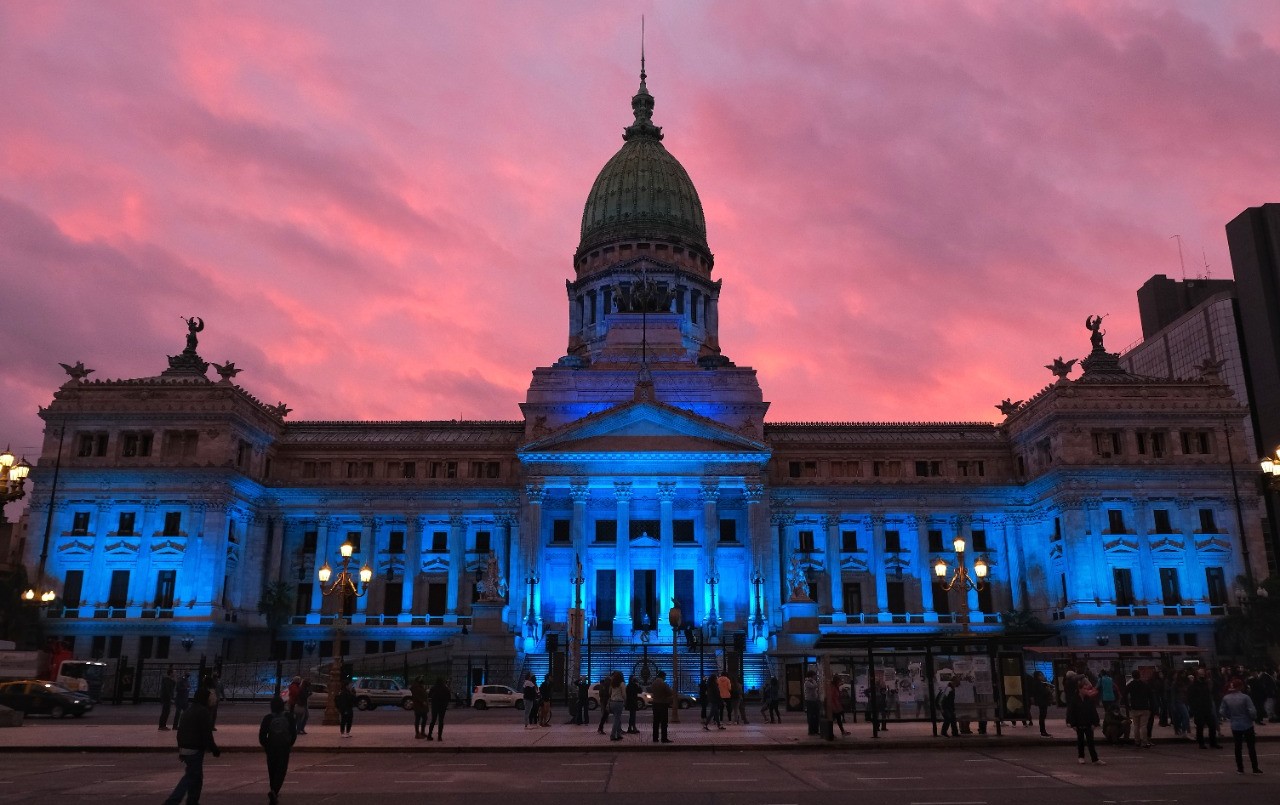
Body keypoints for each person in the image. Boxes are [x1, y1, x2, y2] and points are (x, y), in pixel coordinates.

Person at [163, 686, 220, 805]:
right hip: (194, 748)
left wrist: (180, 749)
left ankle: (193, 801)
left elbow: (180, 731)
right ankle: (173, 801)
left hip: (185, 747)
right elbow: (207, 733)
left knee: (197, 777)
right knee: (191, 777)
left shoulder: (189, 710)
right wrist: (214, 749)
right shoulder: (203, 712)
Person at [258, 695, 296, 805]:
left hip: (271, 747)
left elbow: (262, 735)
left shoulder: (268, 718)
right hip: (284, 747)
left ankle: (273, 790)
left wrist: (266, 746)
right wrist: (289, 743)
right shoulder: (288, 717)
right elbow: (293, 733)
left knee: (272, 769)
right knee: (281, 770)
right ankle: (274, 791)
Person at [1220, 678, 1262, 774]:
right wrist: (1253, 718)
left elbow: (1222, 711)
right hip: (1247, 723)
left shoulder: (1226, 698)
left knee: (1238, 747)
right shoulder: (1245, 697)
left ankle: (1240, 768)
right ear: (1240, 687)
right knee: (1251, 747)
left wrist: (1229, 716)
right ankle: (1255, 768)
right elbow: (1252, 711)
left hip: (1235, 724)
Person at [1067, 673, 1105, 765]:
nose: (1086, 690)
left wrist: (1095, 723)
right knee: (1080, 741)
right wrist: (1073, 724)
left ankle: (1095, 759)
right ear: (1080, 689)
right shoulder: (1074, 699)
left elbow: (1093, 711)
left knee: (1090, 742)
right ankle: (1081, 756)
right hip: (1079, 722)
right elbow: (1071, 712)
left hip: (1088, 722)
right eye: (1084, 688)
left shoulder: (1089, 699)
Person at [1188, 669, 1222, 749]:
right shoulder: (1194, 686)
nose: (1202, 676)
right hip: (1199, 709)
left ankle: (1213, 743)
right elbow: (1191, 698)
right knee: (1200, 726)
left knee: (1212, 725)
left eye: (1203, 674)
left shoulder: (1206, 684)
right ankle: (1201, 743)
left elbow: (1211, 692)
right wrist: (1194, 708)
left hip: (1207, 707)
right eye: (1201, 674)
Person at [1126, 670, 1154, 748]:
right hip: (1144, 707)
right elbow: (1150, 696)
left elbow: (1125, 694)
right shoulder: (1145, 684)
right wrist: (1151, 707)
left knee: (1136, 726)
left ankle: (1137, 741)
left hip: (1134, 707)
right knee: (1143, 726)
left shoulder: (1130, 685)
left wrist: (1128, 705)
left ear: (1132, 676)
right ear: (1139, 675)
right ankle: (1144, 742)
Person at [649, 670, 674, 743]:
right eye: (665, 676)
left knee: (656, 722)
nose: (665, 678)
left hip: (655, 704)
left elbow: (652, 692)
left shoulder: (653, 683)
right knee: (664, 722)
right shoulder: (663, 684)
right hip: (663, 704)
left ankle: (655, 738)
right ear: (663, 676)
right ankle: (664, 738)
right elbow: (670, 693)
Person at [427, 676, 451, 741]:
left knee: (433, 721)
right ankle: (439, 737)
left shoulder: (433, 687)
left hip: (435, 706)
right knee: (441, 721)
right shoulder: (445, 688)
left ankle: (429, 735)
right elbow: (449, 697)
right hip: (442, 706)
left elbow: (429, 695)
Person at [608, 670, 626, 741]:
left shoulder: (612, 684)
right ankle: (613, 735)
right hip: (619, 702)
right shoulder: (622, 684)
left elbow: (609, 692)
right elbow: (624, 694)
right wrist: (625, 700)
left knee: (617, 718)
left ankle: (618, 734)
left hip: (612, 702)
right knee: (617, 719)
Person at [802, 669, 821, 736]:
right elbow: (815, 686)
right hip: (810, 701)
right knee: (811, 716)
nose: (815, 677)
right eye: (814, 676)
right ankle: (811, 731)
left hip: (814, 700)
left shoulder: (811, 681)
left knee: (816, 716)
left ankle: (815, 730)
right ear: (811, 676)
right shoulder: (807, 682)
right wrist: (814, 681)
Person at [159, 667, 176, 731]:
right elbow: (167, 690)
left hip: (168, 698)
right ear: (171, 673)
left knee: (167, 712)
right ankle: (161, 726)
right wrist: (170, 698)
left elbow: (173, 686)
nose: (175, 674)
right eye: (174, 673)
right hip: (166, 698)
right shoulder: (166, 680)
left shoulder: (170, 680)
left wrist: (174, 679)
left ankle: (163, 725)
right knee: (165, 712)